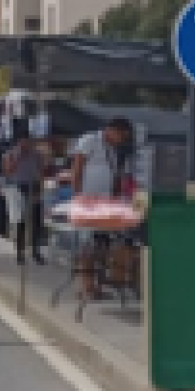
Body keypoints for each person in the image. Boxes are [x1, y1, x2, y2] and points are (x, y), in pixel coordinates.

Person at [70, 117, 145, 298]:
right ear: (112, 130)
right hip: (87, 201)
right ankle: (87, 286)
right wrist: (78, 195)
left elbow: (114, 177)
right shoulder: (90, 141)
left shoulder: (112, 150)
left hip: (104, 204)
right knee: (87, 245)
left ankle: (98, 285)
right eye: (121, 136)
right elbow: (77, 168)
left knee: (102, 244)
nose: (122, 141)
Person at [5, 132, 48, 264]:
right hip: (18, 187)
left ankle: (36, 251)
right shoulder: (10, 154)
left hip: (33, 187)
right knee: (20, 222)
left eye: (28, 142)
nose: (26, 145)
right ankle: (20, 253)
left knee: (36, 221)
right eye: (23, 142)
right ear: (18, 143)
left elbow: (41, 171)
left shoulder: (36, 155)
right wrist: (18, 158)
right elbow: (8, 171)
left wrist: (40, 189)